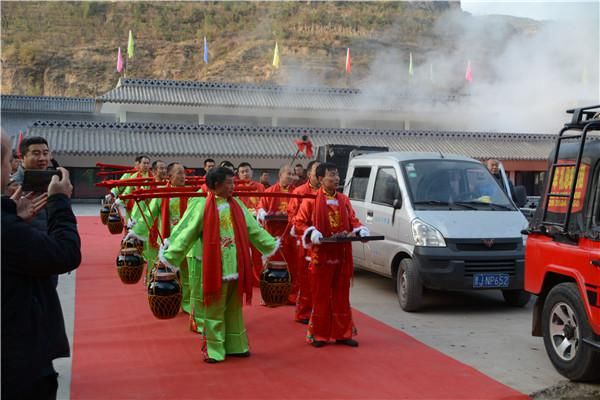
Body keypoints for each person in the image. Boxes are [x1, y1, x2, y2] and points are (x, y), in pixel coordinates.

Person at [159, 167, 278, 363]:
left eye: (233, 182)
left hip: (236, 265)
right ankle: (215, 349)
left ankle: (236, 345)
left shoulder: (236, 204)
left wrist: (271, 246)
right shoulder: (201, 205)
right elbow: (187, 233)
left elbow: (253, 230)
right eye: (229, 183)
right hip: (215, 266)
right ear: (216, 184)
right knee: (214, 308)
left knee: (234, 308)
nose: (233, 186)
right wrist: (170, 256)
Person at [1, 133, 81, 400]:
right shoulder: (14, 191)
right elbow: (67, 253)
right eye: (35, 153)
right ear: (19, 160)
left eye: (46, 153)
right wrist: (60, 203)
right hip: (16, 347)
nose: (42, 158)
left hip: (39, 263)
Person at [294, 162, 368, 348]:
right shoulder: (310, 200)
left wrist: (360, 230)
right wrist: (312, 232)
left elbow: (353, 220)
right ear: (320, 179)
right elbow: (298, 223)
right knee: (321, 296)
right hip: (321, 255)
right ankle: (318, 334)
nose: (336, 179)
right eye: (331, 175)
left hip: (341, 254)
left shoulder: (344, 199)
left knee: (342, 295)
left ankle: (342, 333)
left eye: (337, 175)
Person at [128, 162, 192, 312]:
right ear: (170, 176)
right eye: (179, 173)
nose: (183, 176)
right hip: (166, 241)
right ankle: (166, 299)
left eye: (184, 173)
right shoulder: (162, 193)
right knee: (167, 273)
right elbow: (150, 216)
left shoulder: (191, 193)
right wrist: (136, 230)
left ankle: (187, 303)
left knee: (187, 275)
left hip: (186, 241)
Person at [257, 165, 298, 304]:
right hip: (274, 234)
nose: (292, 176)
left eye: (293, 174)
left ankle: (291, 295)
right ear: (280, 175)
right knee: (271, 264)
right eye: (289, 174)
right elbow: (260, 206)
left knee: (292, 264)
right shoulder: (270, 191)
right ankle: (271, 295)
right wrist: (262, 212)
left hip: (290, 234)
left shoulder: (296, 192)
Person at [287, 160, 320, 323]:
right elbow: (293, 217)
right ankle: (304, 312)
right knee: (304, 278)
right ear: (309, 174)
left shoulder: (327, 192)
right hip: (304, 241)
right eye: (317, 172)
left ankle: (319, 310)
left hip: (323, 242)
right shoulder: (300, 191)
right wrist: (307, 231)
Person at [236, 162, 266, 285]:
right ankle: (242, 278)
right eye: (242, 172)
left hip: (256, 223)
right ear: (238, 174)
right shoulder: (235, 187)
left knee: (257, 252)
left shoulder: (260, 187)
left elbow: (263, 203)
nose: (245, 174)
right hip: (240, 223)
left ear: (252, 172)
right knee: (241, 252)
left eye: (247, 171)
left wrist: (258, 211)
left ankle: (258, 278)